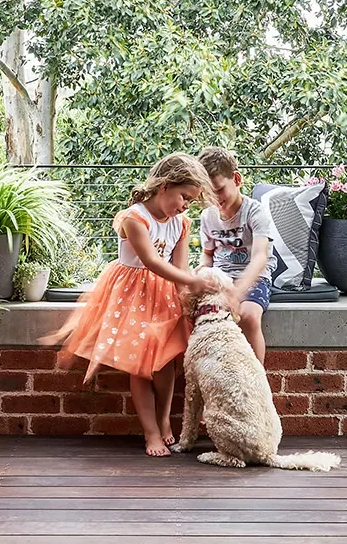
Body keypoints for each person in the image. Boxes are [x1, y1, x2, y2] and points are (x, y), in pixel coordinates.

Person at [50, 152, 227, 456]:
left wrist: (192, 284)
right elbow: (151, 261)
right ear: (165, 186)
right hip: (133, 297)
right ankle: (151, 432)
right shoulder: (135, 218)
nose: (185, 205)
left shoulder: (180, 223)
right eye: (184, 197)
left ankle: (163, 420)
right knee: (141, 367)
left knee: (166, 363)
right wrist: (191, 281)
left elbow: (179, 267)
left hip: (165, 297)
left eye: (190, 201)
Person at [196, 146, 276, 365]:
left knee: (248, 316)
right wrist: (202, 271)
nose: (215, 199)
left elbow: (260, 257)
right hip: (221, 279)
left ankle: (257, 380)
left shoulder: (254, 211)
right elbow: (207, 255)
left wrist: (237, 291)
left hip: (253, 278)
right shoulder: (207, 216)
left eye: (219, 190)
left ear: (237, 179)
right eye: (208, 194)